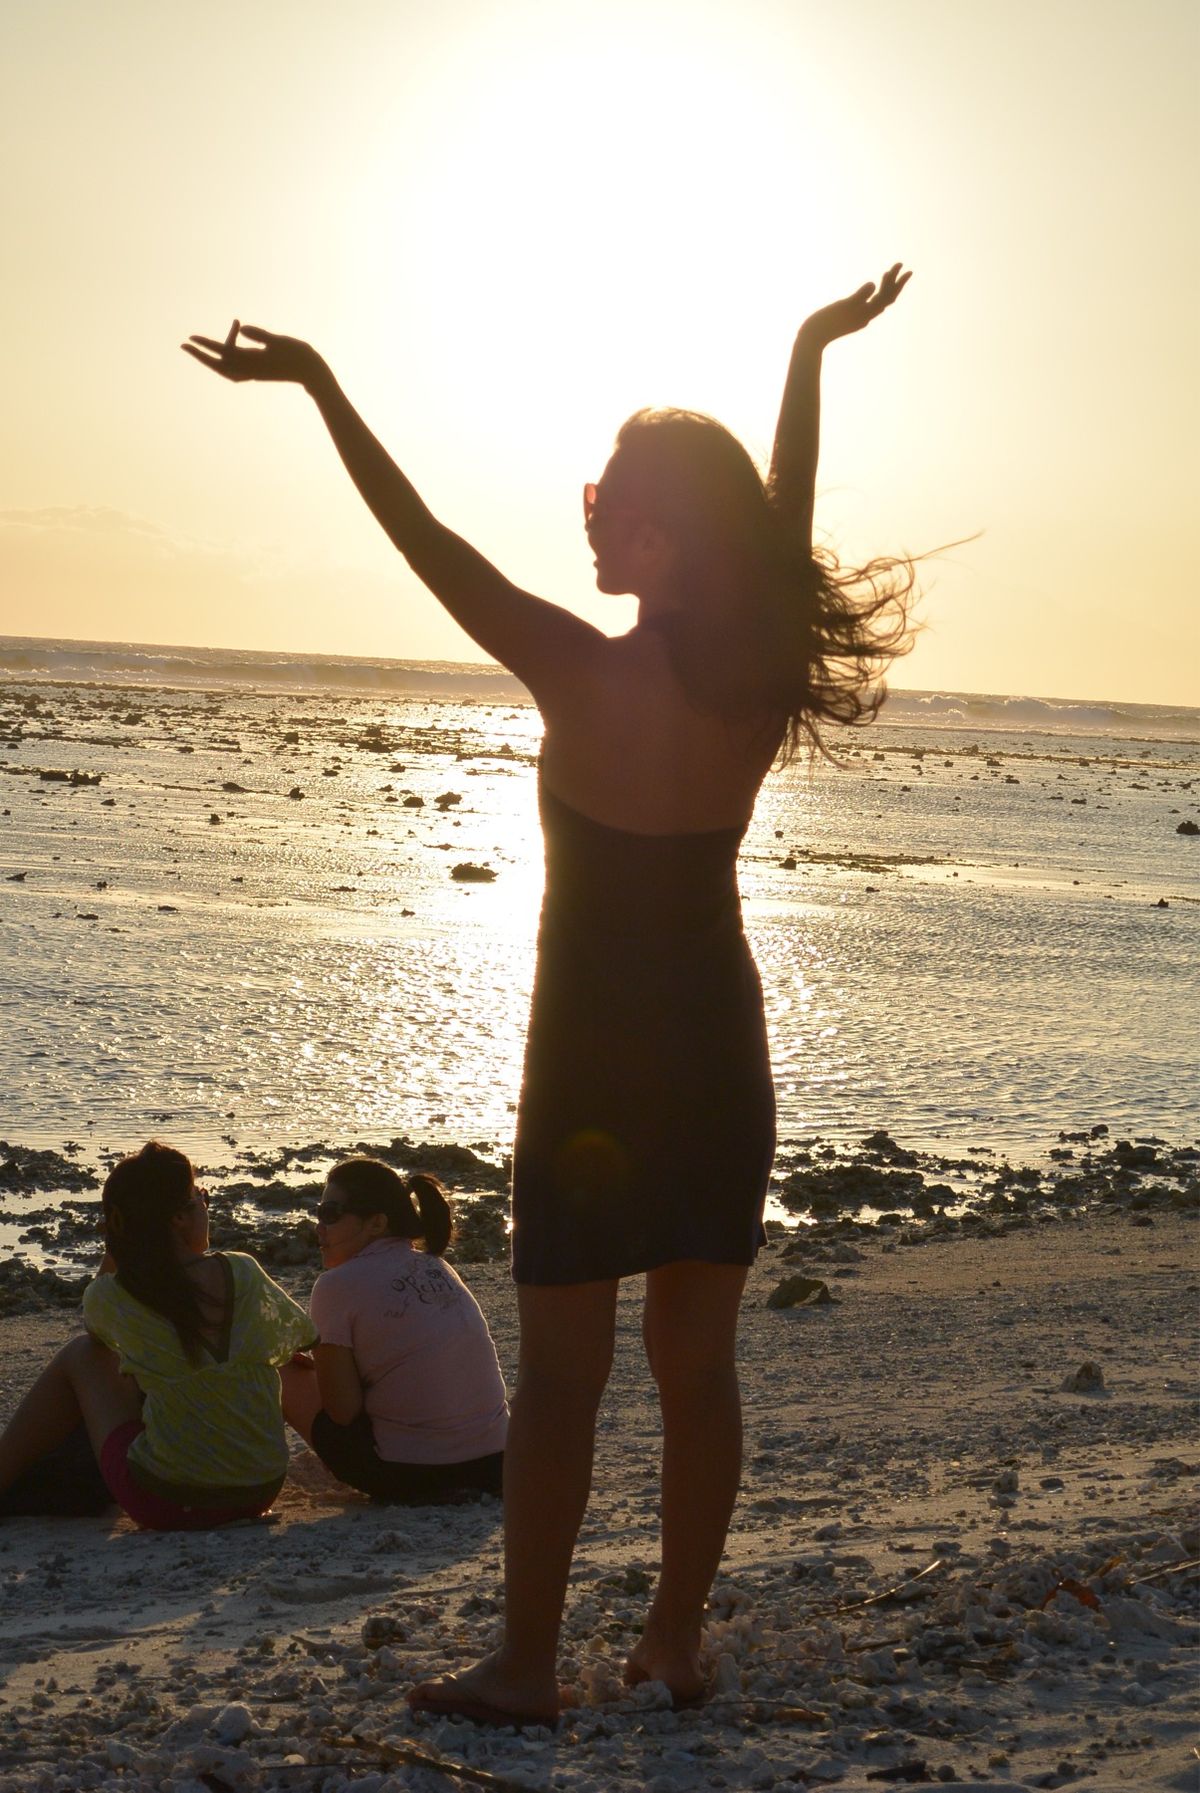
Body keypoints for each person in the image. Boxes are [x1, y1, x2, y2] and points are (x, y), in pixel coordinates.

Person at [183, 263, 914, 1720]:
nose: (588, 507)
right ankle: (672, 1640)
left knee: (572, 1382)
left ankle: (530, 1663)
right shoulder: (757, 674)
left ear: (667, 534)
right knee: (695, 1370)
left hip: (588, 1069)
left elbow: (423, 540)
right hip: (717, 1049)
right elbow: (784, 518)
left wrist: (324, 384)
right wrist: (807, 354)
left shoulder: (576, 669)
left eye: (614, 494)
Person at [0, 1141, 317, 1530]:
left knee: (82, 1354)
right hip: (259, 1489)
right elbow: (299, 1338)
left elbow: (99, 1335)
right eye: (200, 1196)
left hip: (165, 1500)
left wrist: (124, 1246)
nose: (205, 1204)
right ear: (178, 1219)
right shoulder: (244, 1272)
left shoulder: (112, 1296)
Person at [279, 1158, 507, 1503]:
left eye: (330, 1214)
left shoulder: (335, 1285)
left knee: (285, 1371)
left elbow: (343, 1411)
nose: (318, 1227)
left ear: (377, 1223)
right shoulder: (437, 1265)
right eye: (318, 1212)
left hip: (413, 1474)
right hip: (498, 1462)